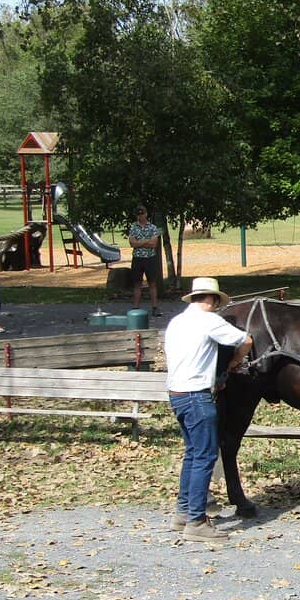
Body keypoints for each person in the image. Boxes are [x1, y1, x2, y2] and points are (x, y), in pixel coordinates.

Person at [165, 277, 253, 543]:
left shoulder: (176, 322)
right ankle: (197, 521)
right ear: (213, 300)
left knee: (192, 455)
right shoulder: (209, 321)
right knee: (204, 457)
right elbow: (246, 340)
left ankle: (183, 512)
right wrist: (235, 362)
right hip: (197, 396)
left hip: (177, 394)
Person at [128, 206, 162, 316]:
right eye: (138, 214)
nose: (140, 215)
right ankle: (136, 308)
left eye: (142, 213)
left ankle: (155, 307)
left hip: (150, 258)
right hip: (138, 258)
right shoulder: (133, 228)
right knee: (137, 284)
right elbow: (132, 243)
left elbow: (154, 244)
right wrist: (147, 241)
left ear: (146, 214)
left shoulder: (152, 227)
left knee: (152, 283)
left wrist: (140, 242)